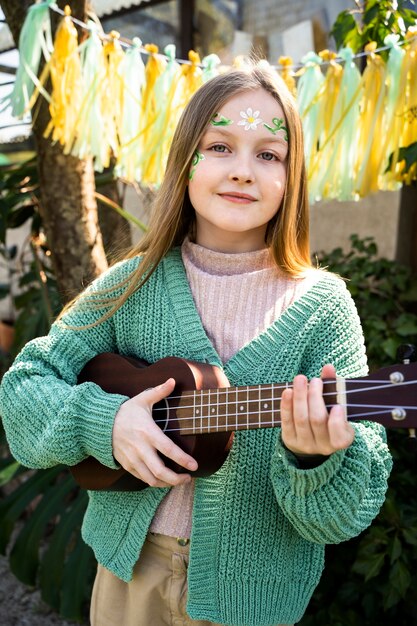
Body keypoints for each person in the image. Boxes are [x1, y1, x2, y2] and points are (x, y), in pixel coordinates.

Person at [0, 63, 392, 626]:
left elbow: (344, 514)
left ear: (292, 177)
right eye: (219, 146)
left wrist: (314, 459)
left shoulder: (323, 309)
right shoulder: (131, 285)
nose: (242, 171)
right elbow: (23, 391)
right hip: (127, 579)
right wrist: (104, 423)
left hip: (251, 599)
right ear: (186, 162)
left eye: (268, 154)